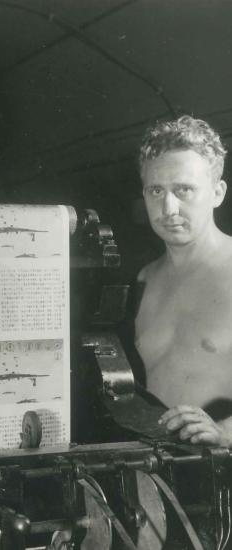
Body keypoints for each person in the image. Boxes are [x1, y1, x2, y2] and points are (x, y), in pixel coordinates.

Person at [135, 115, 232, 447]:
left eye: (184, 190)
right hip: (158, 473)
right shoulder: (143, 279)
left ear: (217, 192)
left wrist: (225, 433)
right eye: (156, 190)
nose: (168, 207)